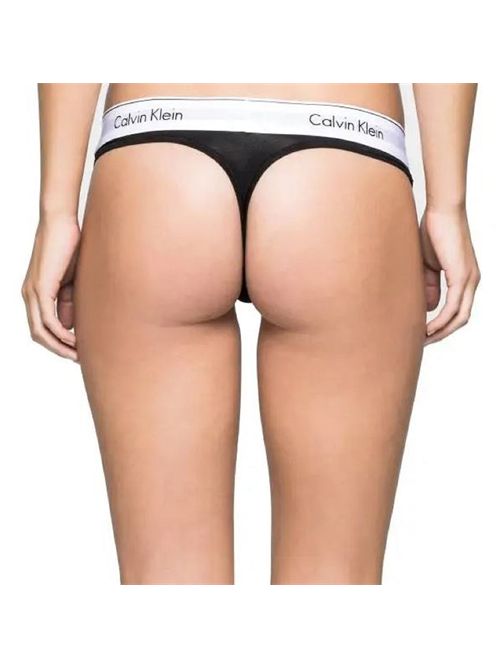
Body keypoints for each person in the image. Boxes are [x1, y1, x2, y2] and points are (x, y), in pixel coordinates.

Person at [22, 83, 480, 584]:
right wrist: (448, 203)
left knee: (166, 586)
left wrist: (56, 210)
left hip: (157, 149)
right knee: (334, 582)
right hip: (344, 146)